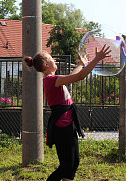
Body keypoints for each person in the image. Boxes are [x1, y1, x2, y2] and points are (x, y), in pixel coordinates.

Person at [24, 45, 111, 181]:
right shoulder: (51, 80)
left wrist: (81, 64)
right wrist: (97, 59)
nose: (55, 61)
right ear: (46, 64)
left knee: (74, 163)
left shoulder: (54, 79)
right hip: (62, 126)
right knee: (66, 165)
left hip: (68, 124)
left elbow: (73, 75)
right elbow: (80, 76)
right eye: (52, 59)